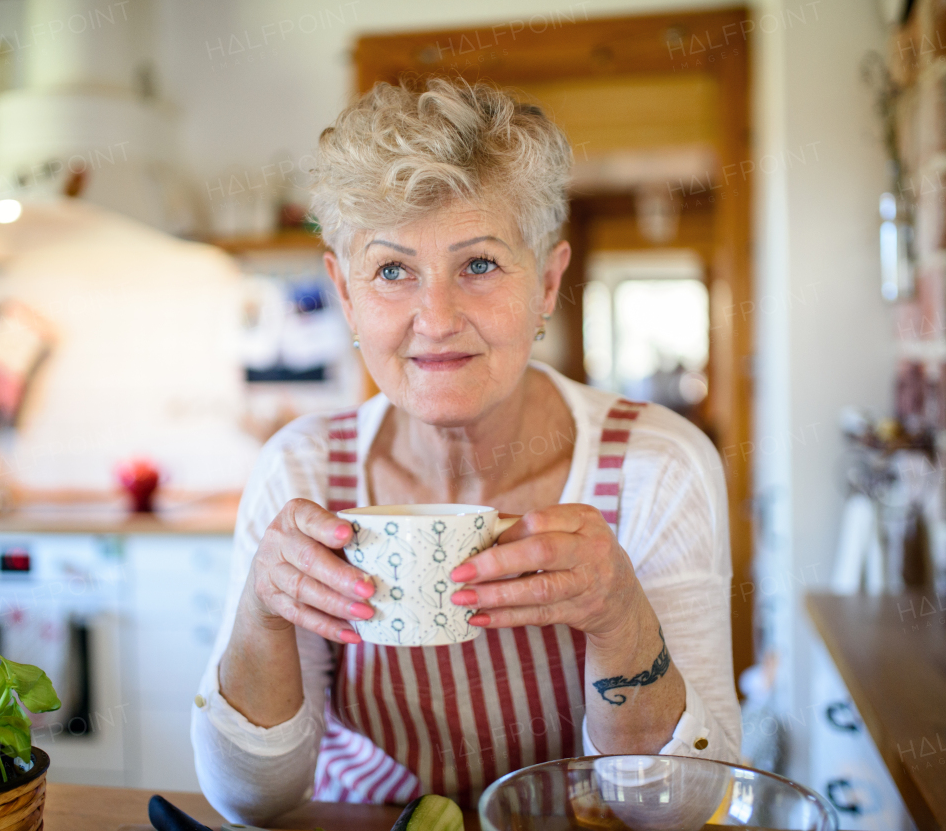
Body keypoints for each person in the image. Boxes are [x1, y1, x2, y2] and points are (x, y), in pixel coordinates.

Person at [192, 78, 740, 825]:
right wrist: (262, 610)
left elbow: (677, 810)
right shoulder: (304, 472)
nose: (437, 319)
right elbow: (251, 800)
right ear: (345, 294)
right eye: (392, 271)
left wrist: (620, 618)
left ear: (547, 281)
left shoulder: (656, 466)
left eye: (479, 265)